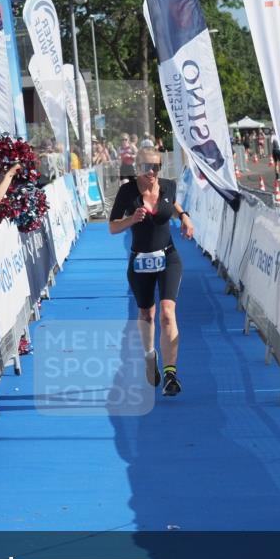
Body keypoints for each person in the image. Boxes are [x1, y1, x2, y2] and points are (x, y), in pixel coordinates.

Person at [108, 148, 193, 397]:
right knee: (146, 314)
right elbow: (113, 227)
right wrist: (131, 219)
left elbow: (173, 203)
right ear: (137, 167)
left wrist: (185, 217)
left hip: (168, 256)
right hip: (140, 261)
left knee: (168, 312)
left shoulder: (167, 185)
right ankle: (149, 356)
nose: (153, 171)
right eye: (148, 167)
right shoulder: (127, 191)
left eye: (157, 166)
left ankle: (170, 374)